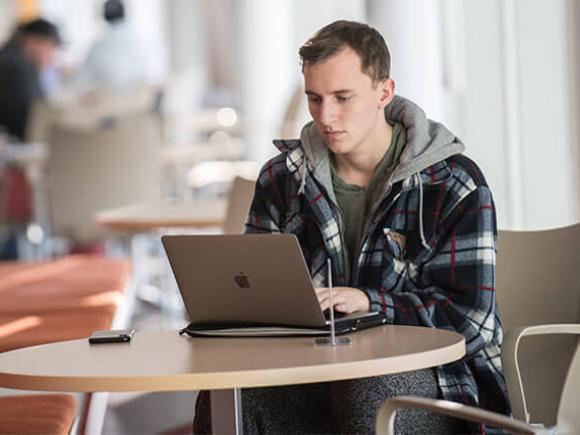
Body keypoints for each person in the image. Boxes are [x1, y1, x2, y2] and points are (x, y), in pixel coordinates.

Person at [194, 20, 510, 434]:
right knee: (228, 395)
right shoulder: (281, 179)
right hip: (311, 374)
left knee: (364, 387)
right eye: (314, 99)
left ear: (384, 92)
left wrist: (370, 303)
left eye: (343, 98)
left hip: (437, 384)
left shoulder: (452, 183)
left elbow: (473, 322)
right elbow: (254, 303)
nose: (326, 116)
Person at [0, 18, 61, 141]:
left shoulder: (12, 56)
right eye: (51, 47)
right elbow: (33, 117)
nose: (53, 55)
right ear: (32, 42)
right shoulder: (16, 65)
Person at [75, 0, 147, 92]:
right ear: (125, 13)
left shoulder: (99, 48)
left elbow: (82, 81)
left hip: (109, 102)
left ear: (103, 17)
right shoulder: (144, 42)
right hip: (141, 102)